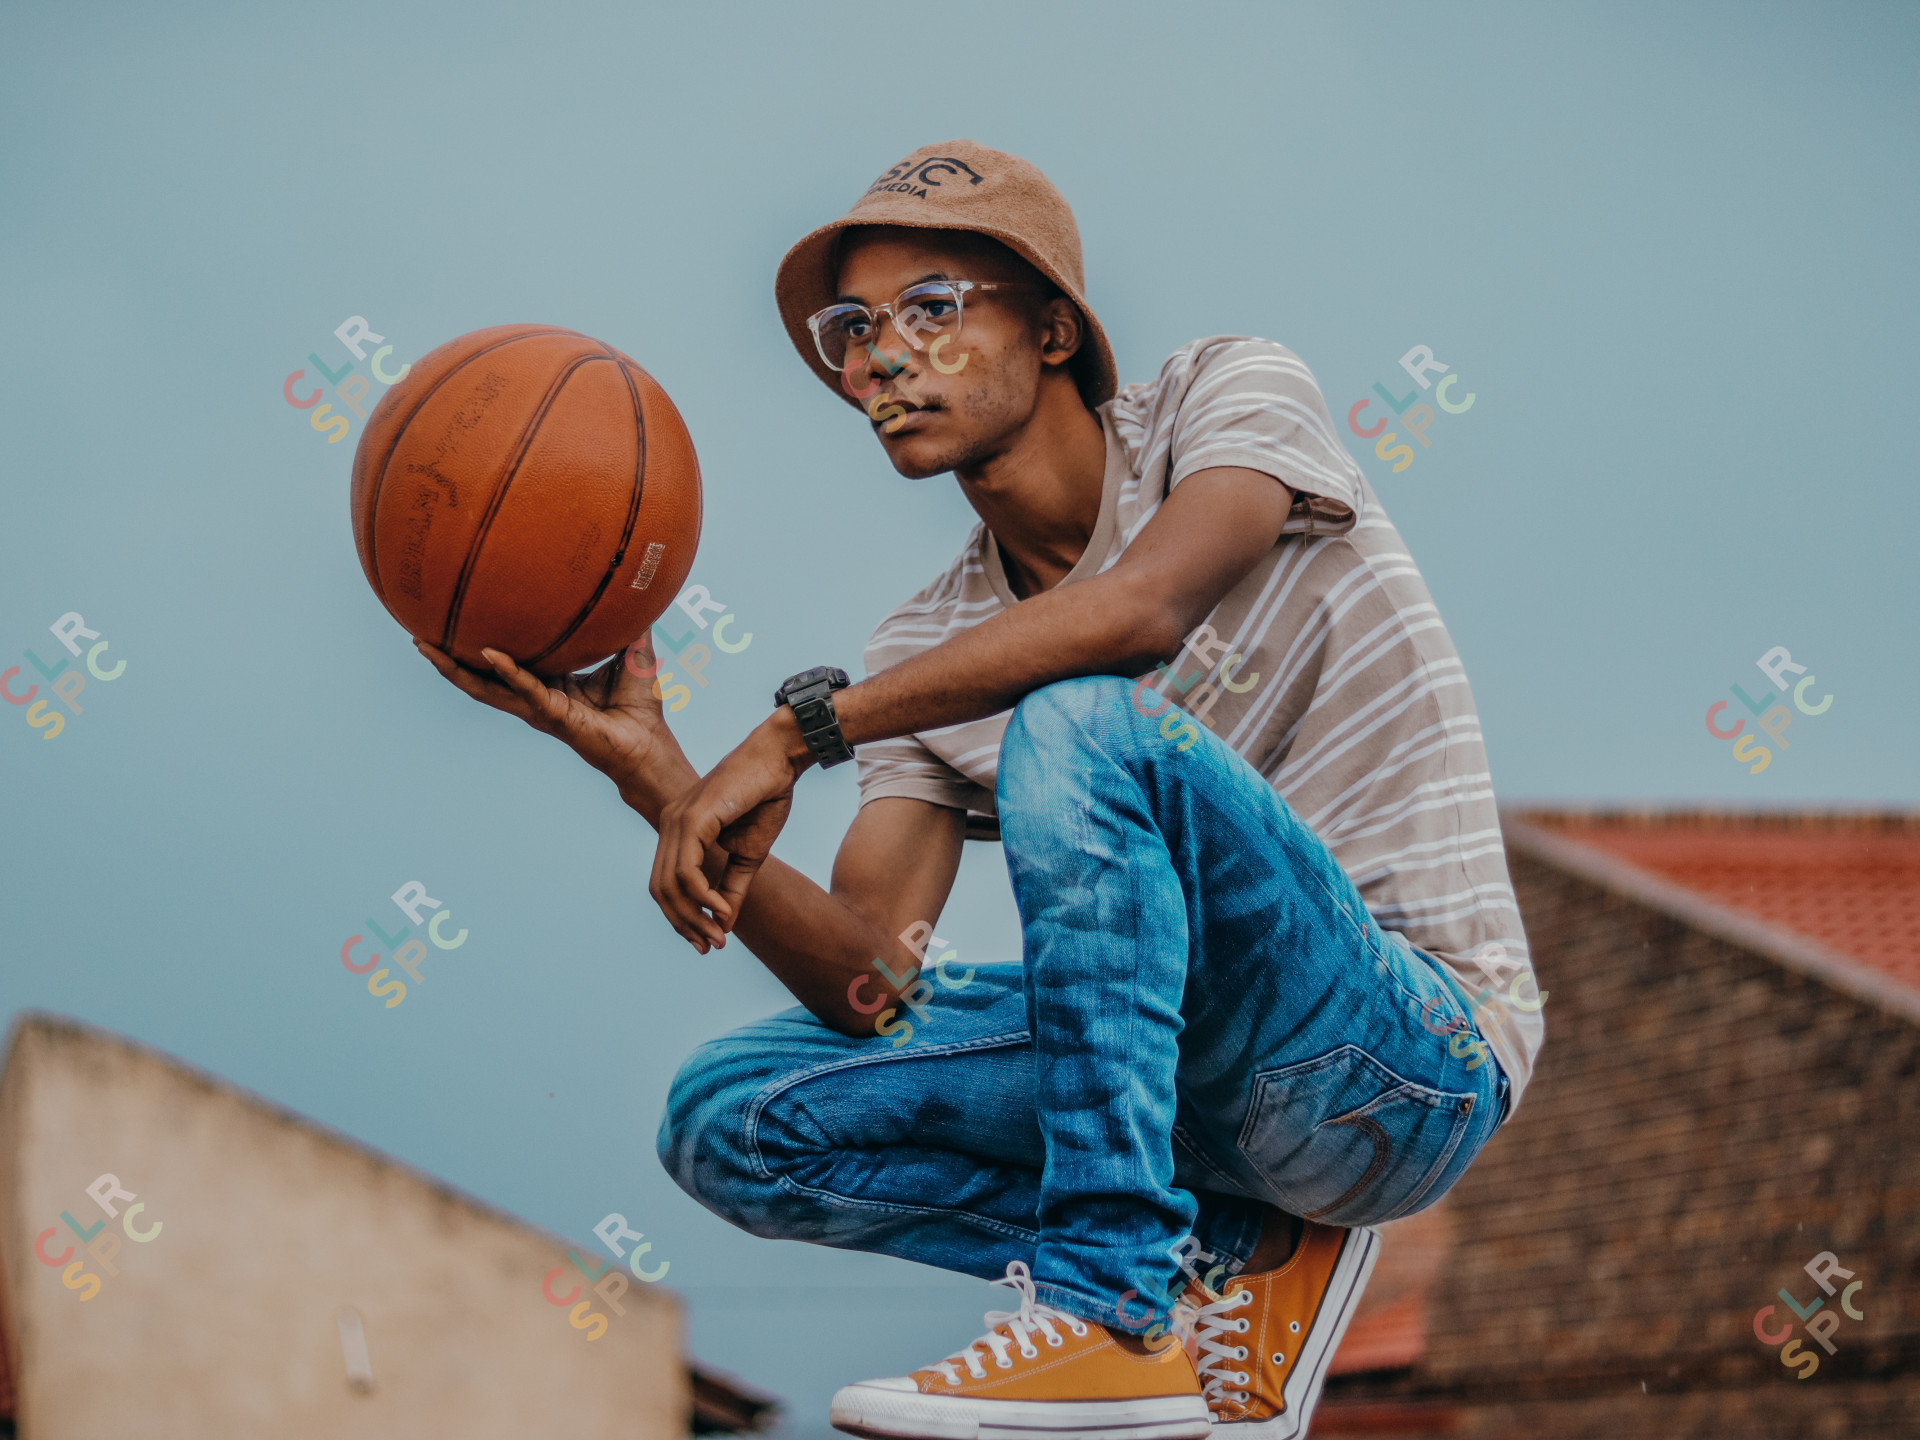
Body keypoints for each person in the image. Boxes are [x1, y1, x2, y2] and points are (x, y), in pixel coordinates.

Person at [418, 139, 1544, 1440]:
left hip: (1405, 1056)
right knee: (726, 1116)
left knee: (1081, 727)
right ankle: (1222, 1262)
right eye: (853, 329)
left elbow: (1141, 608)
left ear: (1057, 326)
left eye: (932, 308)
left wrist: (799, 735)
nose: (879, 357)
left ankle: (1107, 1312)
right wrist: (662, 780)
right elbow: (870, 986)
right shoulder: (925, 650)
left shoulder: (1222, 396)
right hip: (1200, 1102)